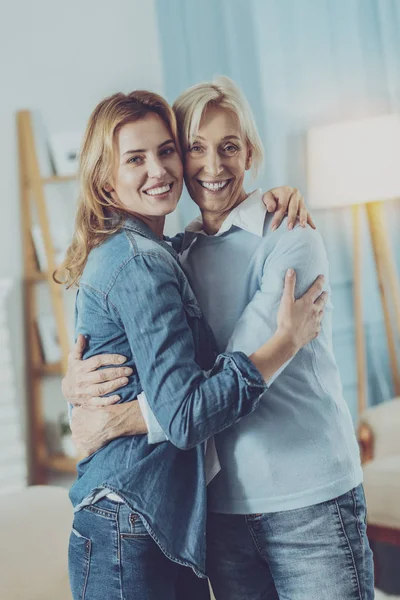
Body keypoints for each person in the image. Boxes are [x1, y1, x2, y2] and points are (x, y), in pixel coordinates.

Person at [65, 77, 374, 600]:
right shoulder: (175, 254)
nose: (211, 166)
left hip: (307, 500)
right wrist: (77, 398)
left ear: (250, 151)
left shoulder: (288, 234)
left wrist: (112, 421)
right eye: (193, 149)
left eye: (229, 146)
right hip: (220, 509)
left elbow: (219, 375)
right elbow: (156, 374)